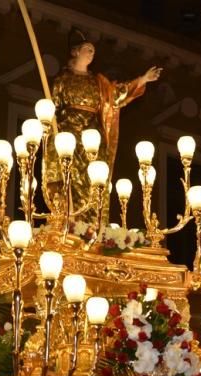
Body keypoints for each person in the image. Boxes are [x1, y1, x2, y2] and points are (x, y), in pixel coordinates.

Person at [42, 28, 161, 229]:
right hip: (69, 134)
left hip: (92, 135)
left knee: (93, 180)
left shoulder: (98, 82)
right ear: (75, 52)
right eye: (87, 49)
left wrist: (142, 80)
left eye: (93, 50)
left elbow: (116, 95)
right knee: (70, 178)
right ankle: (69, 219)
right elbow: (52, 108)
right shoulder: (63, 80)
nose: (91, 52)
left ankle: (91, 225)